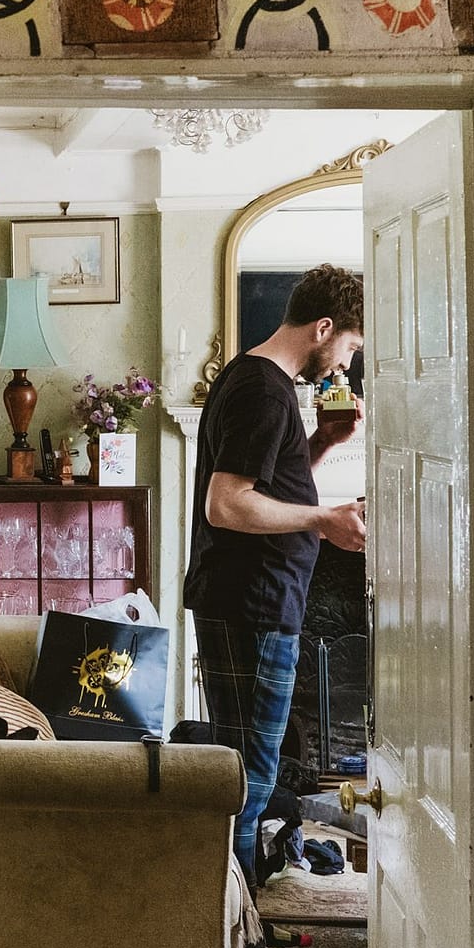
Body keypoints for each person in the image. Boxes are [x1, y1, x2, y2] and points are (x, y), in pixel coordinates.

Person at [182, 264, 367, 906]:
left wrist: (321, 440)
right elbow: (227, 505)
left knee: (244, 770)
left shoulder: (258, 379)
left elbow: (267, 485)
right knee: (250, 780)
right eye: (347, 347)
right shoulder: (264, 390)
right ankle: (237, 924)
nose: (343, 364)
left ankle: (233, 912)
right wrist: (325, 518)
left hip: (247, 601)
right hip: (253, 607)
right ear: (323, 327)